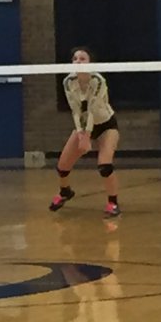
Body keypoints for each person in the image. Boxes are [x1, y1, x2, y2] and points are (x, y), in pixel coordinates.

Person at [49, 47, 121, 218]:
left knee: (104, 165)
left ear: (90, 63)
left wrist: (87, 135)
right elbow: (76, 110)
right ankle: (65, 191)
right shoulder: (68, 81)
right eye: (75, 59)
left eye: (82, 58)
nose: (78, 62)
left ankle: (113, 202)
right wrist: (81, 134)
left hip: (105, 125)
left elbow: (92, 109)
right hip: (83, 125)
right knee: (62, 166)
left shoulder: (98, 80)